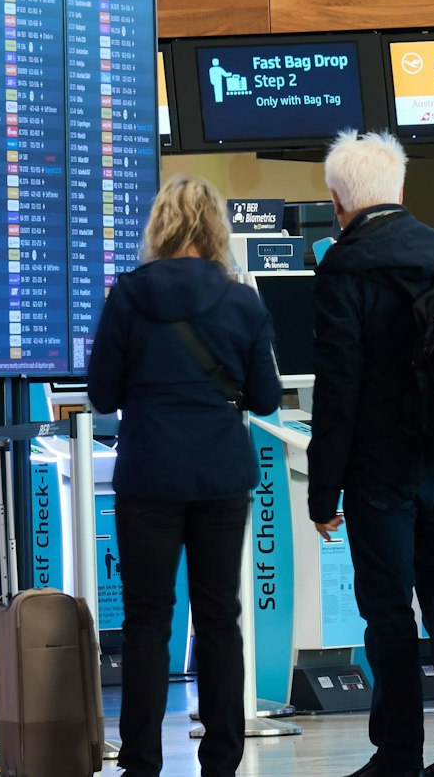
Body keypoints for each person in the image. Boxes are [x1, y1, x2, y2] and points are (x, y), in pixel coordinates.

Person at [305, 131, 434, 777]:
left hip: (379, 472)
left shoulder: (344, 266)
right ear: (400, 189)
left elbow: (339, 389)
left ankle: (396, 753)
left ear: (339, 201)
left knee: (388, 612)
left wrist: (323, 491)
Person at [87, 176, 282, 777]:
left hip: (148, 472)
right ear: (215, 230)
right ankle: (220, 760)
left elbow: (101, 394)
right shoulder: (242, 301)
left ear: (161, 226)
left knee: (147, 618)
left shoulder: (127, 295)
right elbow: (267, 398)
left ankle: (142, 760)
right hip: (221, 475)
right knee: (220, 616)